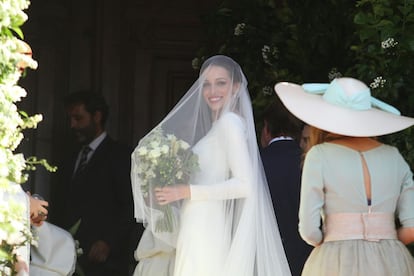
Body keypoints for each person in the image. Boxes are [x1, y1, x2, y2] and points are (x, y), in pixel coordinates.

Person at [131, 55, 291, 276]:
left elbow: (245, 185)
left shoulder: (230, 124)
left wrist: (186, 191)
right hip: (197, 221)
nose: (212, 90)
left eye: (221, 83)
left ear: (235, 88)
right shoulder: (218, 126)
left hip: (207, 225)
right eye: (206, 84)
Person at [274, 77, 414, 276]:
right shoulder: (394, 156)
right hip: (392, 261)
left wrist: (337, 237)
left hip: (335, 260)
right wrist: (385, 240)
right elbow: (412, 228)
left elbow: (309, 230)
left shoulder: (319, 155)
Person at [51, 91, 137, 276]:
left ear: (97, 116)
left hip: (105, 264)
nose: (72, 125)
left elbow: (131, 205)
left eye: (78, 118)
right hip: (65, 261)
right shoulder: (69, 156)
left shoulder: (120, 156)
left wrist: (108, 242)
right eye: (70, 119)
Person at [260, 100, 313, 276]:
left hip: (266, 254)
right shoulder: (310, 161)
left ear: (266, 128)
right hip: (307, 257)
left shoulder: (256, 163)